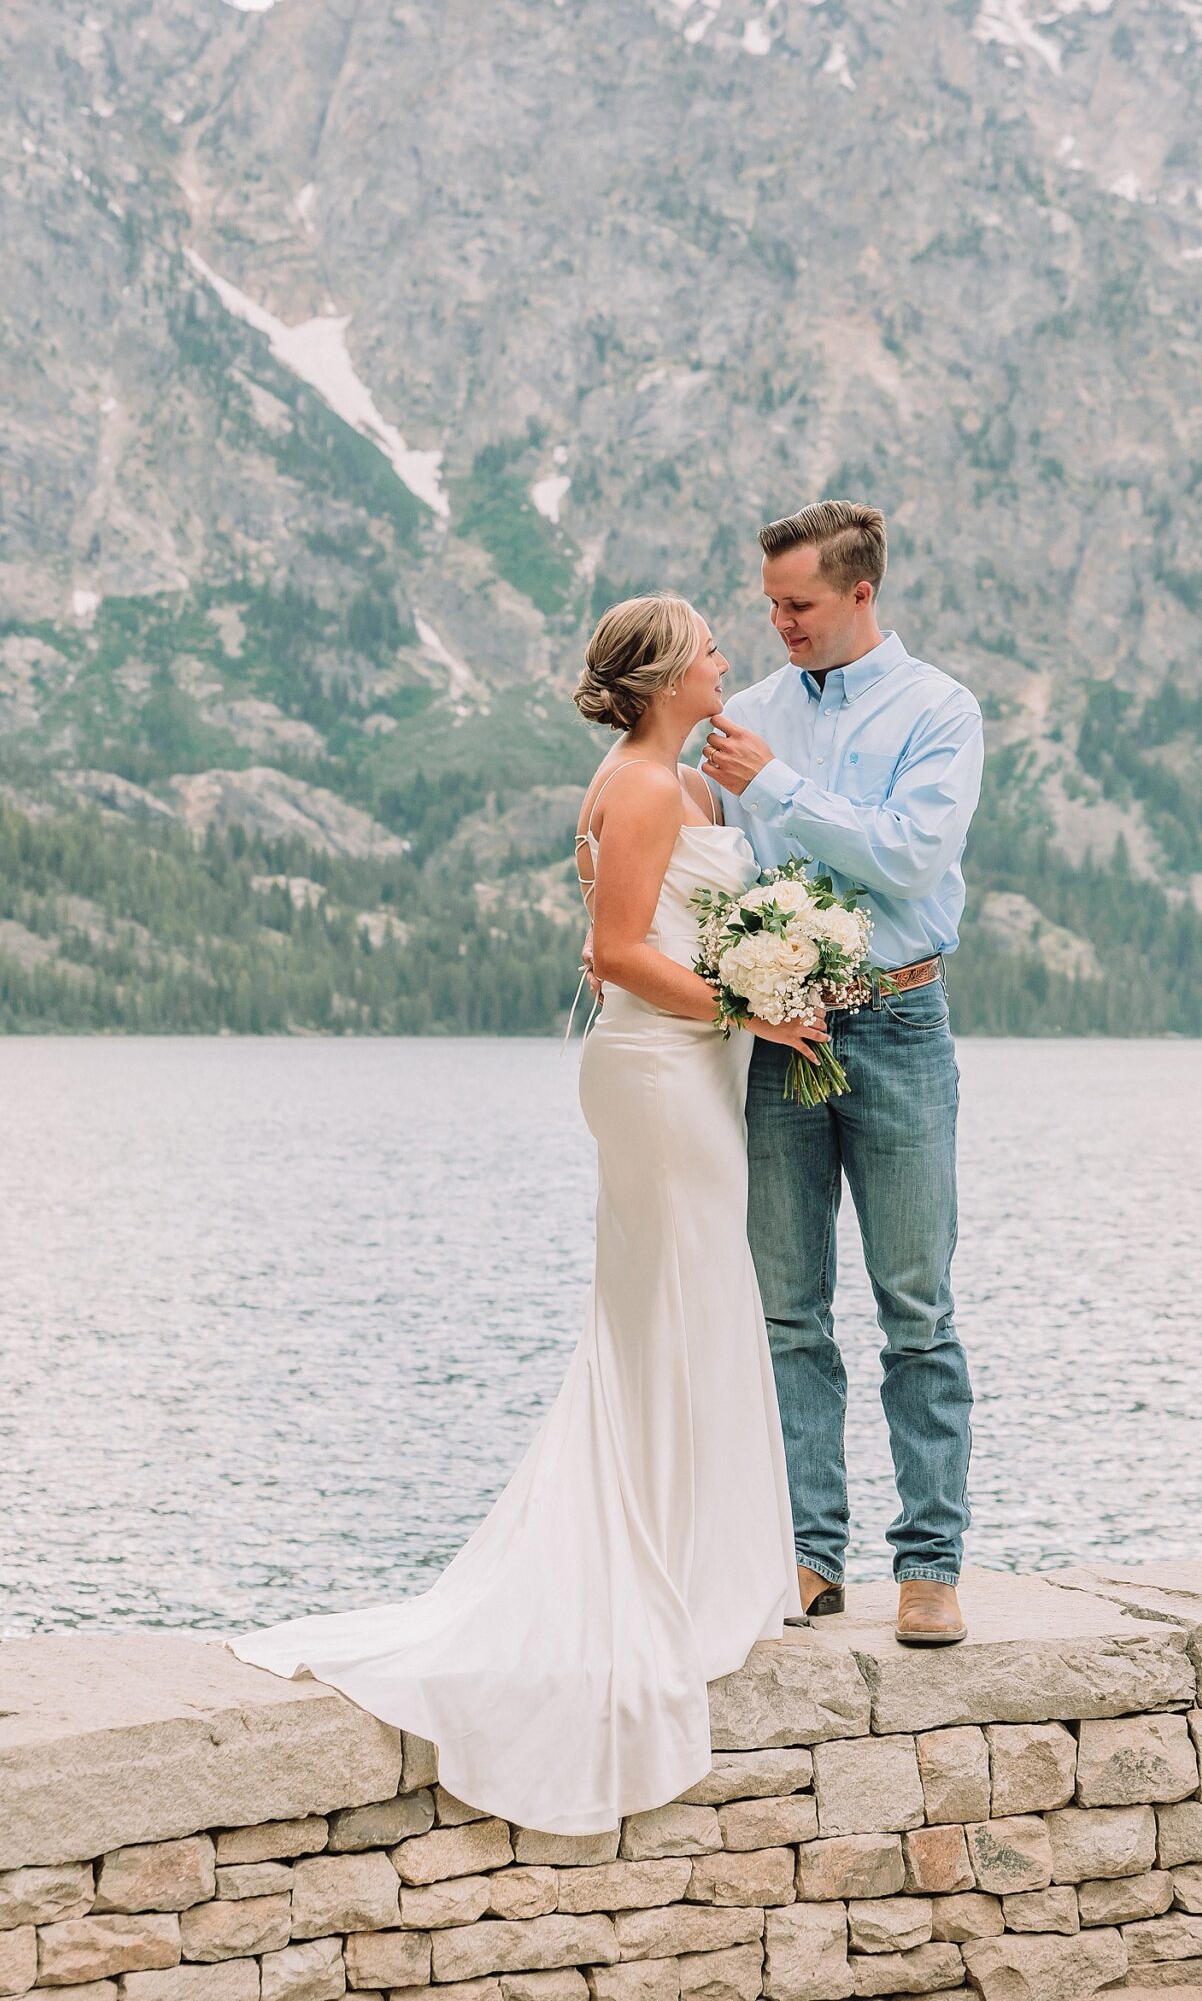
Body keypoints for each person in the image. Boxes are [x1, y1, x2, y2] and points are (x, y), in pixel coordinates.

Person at [232, 594, 823, 1833]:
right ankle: (658, 1573)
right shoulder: (643, 786)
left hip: (686, 1070)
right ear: (664, 675)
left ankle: (697, 1558)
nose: (726, 657)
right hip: (659, 1072)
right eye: (709, 646)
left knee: (687, 1308)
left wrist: (760, 967)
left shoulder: (676, 781)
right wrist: (753, 1007)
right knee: (668, 1309)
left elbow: (652, 931)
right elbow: (621, 953)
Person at [701, 500, 984, 1649]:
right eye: (770, 603)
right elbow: (717, 852)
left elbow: (909, 855)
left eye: (799, 604)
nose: (779, 624)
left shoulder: (938, 709)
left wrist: (774, 786)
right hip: (779, 1037)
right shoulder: (747, 716)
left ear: (860, 592)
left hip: (900, 1022)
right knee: (785, 1310)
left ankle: (929, 1566)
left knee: (915, 1306)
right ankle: (805, 1554)